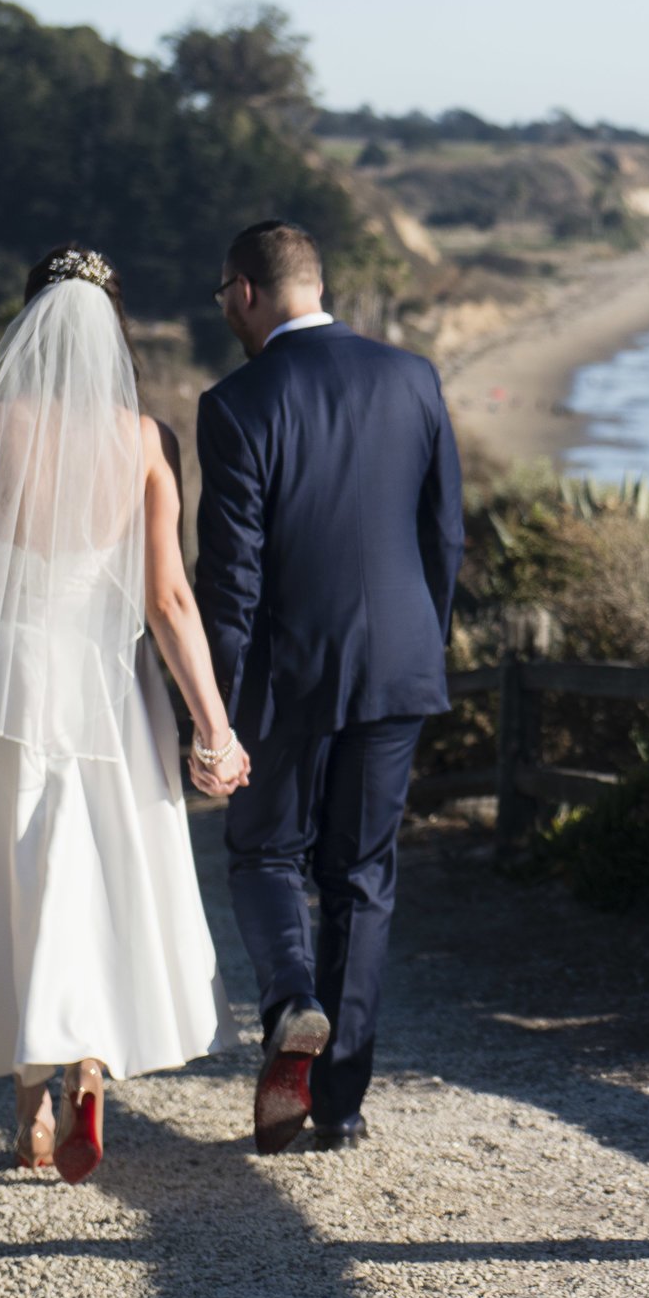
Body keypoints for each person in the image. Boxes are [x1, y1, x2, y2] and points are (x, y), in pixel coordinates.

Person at [0, 246, 249, 1184]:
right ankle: (88, 1071)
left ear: (26, 325)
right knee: (90, 875)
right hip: (108, 696)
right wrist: (213, 726)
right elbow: (170, 601)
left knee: (11, 880)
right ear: (114, 332)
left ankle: (31, 1113)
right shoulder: (148, 440)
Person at [197, 220, 464, 1153]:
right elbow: (444, 539)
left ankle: (291, 998)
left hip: (287, 674)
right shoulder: (415, 377)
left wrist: (216, 714)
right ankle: (341, 1105)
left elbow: (231, 579)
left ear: (245, 292)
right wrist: (418, 644)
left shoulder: (234, 403)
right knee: (360, 878)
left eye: (223, 295)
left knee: (265, 852)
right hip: (399, 667)